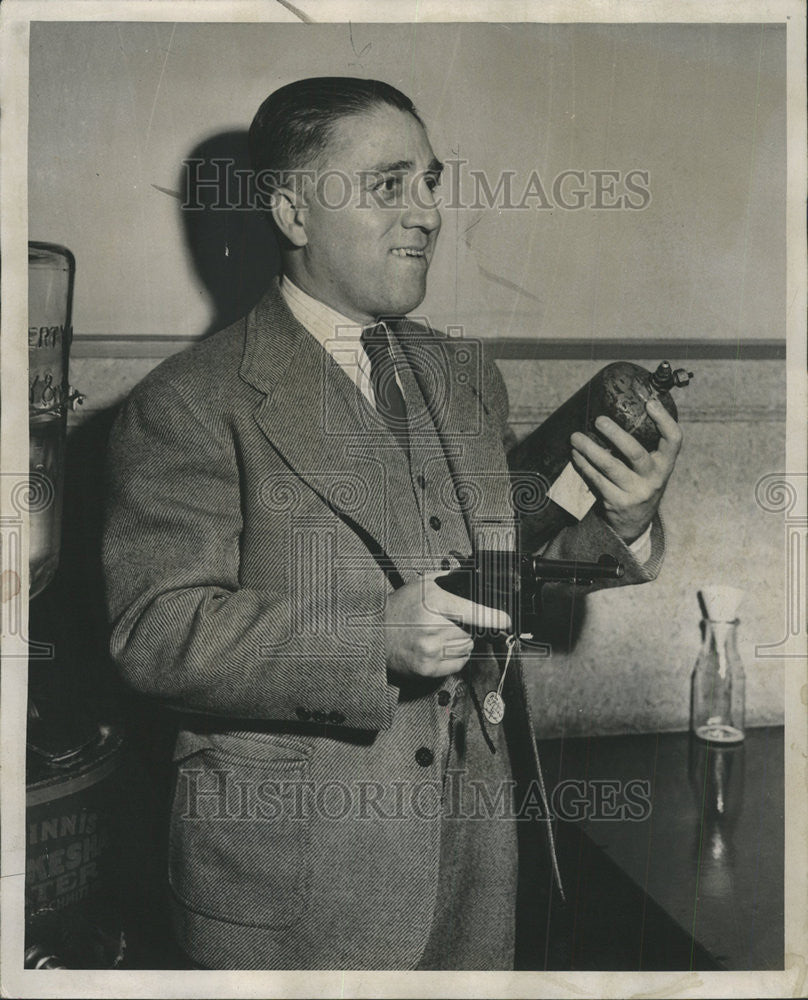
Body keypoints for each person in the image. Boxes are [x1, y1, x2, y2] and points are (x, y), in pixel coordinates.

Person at [102, 77, 681, 970]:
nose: (429, 215)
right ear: (293, 212)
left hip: (476, 870)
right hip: (297, 894)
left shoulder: (463, 375)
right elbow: (155, 630)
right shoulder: (186, 404)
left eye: (431, 182)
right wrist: (371, 638)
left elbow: (507, 562)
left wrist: (628, 521)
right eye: (388, 185)